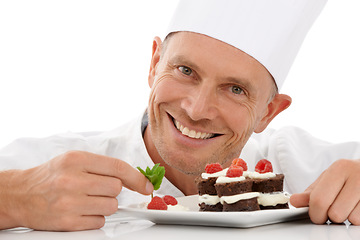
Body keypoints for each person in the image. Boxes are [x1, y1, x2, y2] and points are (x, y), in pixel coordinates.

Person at [1, 0, 360, 231]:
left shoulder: (295, 163)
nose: (196, 109)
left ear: (268, 112)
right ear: (155, 63)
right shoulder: (53, 167)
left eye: (235, 89)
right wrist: (12, 198)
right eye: (186, 70)